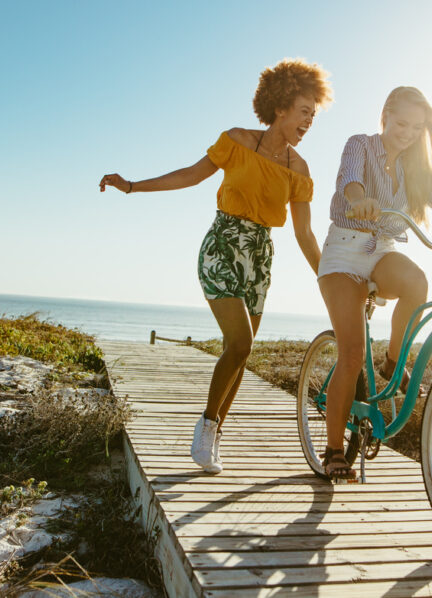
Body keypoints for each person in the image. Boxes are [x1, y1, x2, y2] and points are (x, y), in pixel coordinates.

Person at [99, 59, 332, 474]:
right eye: (304, 111)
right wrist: (133, 186)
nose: (309, 120)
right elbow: (191, 174)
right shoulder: (237, 140)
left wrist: (329, 280)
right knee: (240, 342)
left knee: (238, 354)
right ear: (280, 107)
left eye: (314, 114)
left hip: (259, 258)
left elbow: (305, 235)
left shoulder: (299, 169)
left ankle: (215, 430)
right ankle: (207, 426)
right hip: (223, 245)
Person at [316, 86, 432, 481]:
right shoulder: (360, 145)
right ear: (385, 114)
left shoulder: (414, 168)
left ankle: (391, 360)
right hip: (344, 252)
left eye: (416, 127)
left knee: (417, 282)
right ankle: (334, 449)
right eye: (401, 122)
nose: (407, 132)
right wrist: (359, 199)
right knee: (351, 356)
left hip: (381, 250)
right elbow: (349, 179)